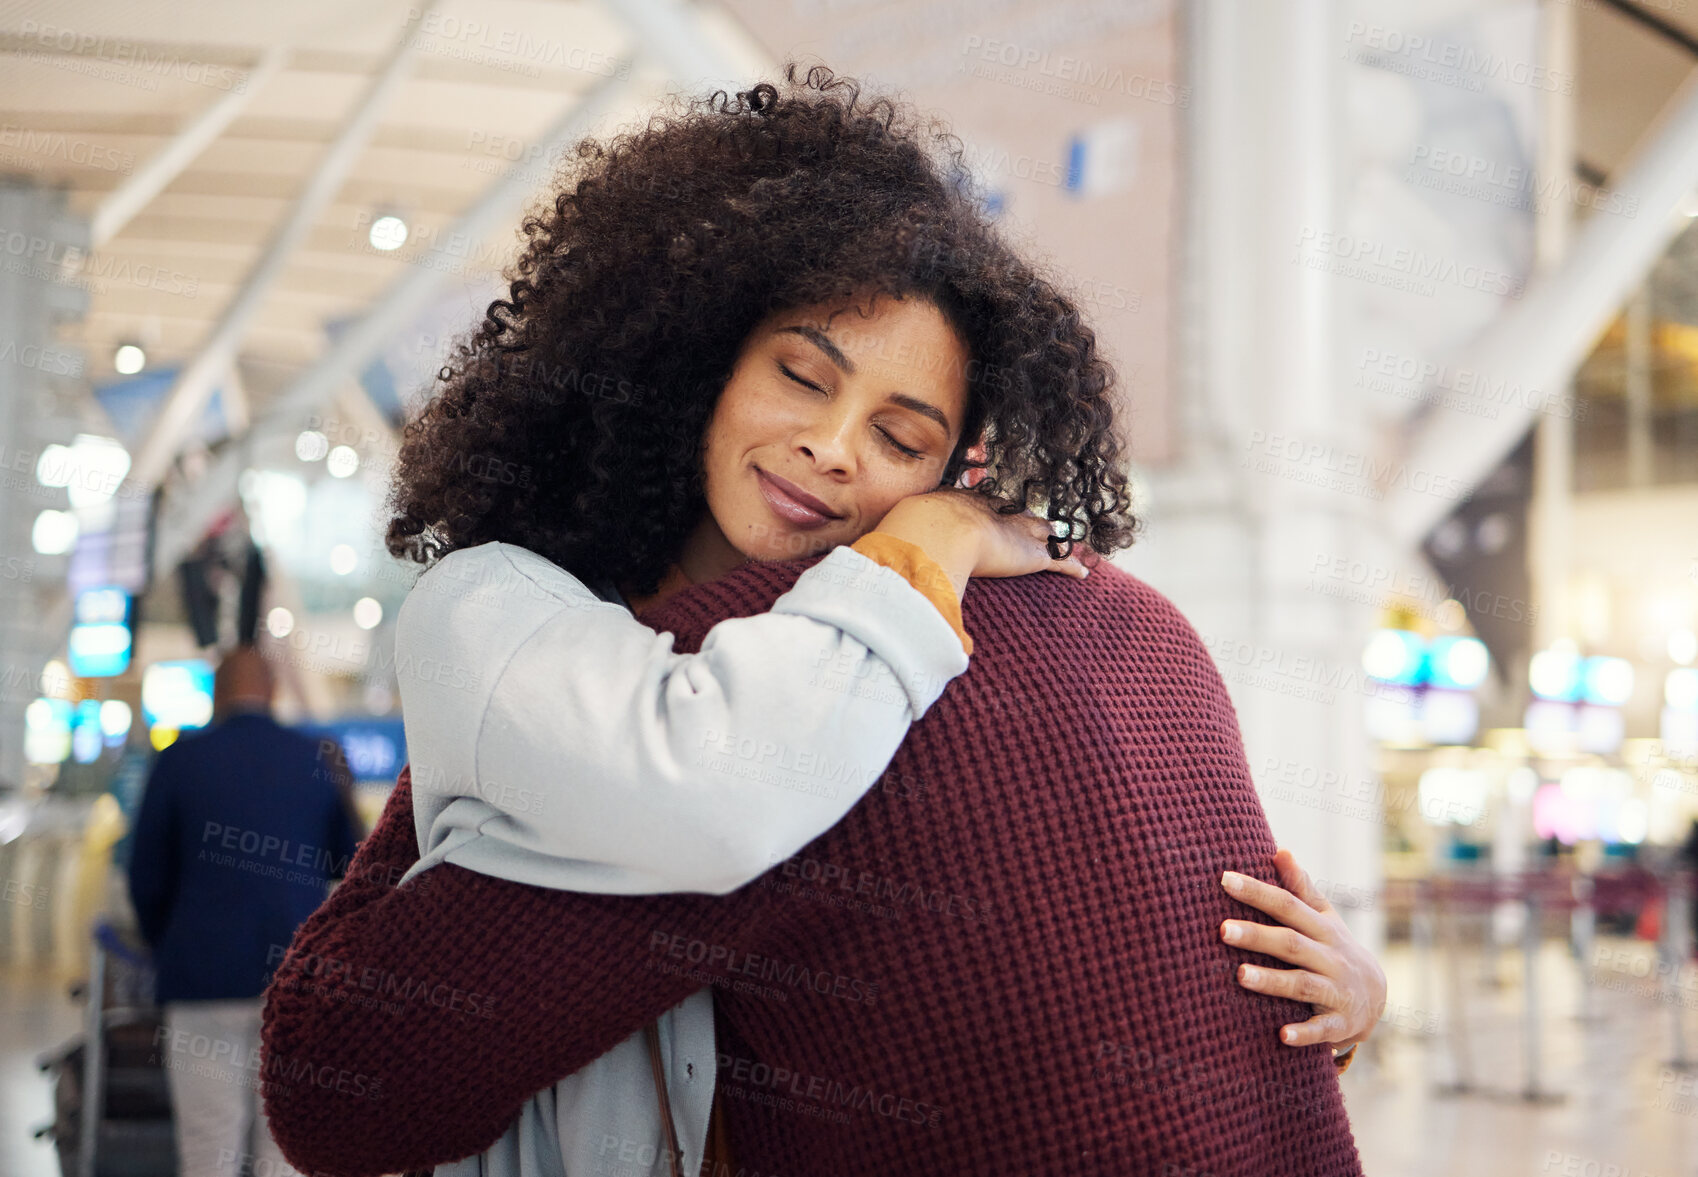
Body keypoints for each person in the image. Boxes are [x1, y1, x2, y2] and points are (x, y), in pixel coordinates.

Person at [261, 65, 1382, 1177]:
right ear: (705, 352)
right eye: (802, 375)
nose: (834, 447)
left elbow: (347, 1082)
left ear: (959, 465)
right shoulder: (1134, 624)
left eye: (900, 441)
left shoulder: (806, 696)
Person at [129, 644, 365, 1177]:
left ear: (214, 695)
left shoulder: (179, 759)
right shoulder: (316, 758)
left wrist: (165, 946)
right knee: (282, 1155)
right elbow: (352, 865)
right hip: (295, 982)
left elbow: (146, 877)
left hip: (200, 980)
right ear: (275, 691)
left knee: (209, 1148)